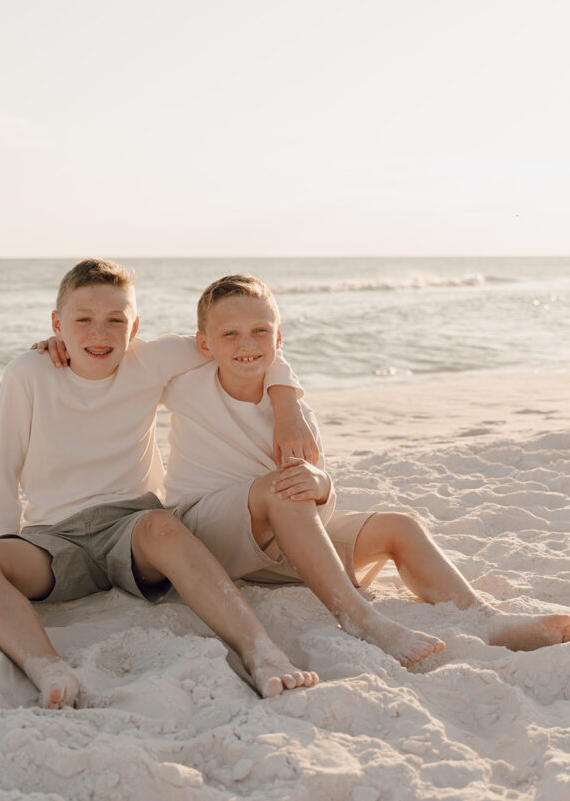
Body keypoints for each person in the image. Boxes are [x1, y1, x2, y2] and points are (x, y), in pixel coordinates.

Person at [0, 259, 318, 710]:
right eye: (82, 320)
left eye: (115, 321)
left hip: (135, 531)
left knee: (162, 524)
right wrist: (3, 555)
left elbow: (249, 341)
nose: (99, 333)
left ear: (134, 325)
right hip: (54, 542)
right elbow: (1, 469)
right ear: (56, 323)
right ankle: (47, 667)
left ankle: (260, 652)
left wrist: (286, 401)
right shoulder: (28, 372)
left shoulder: (150, 359)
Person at [161, 274, 570, 663]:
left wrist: (320, 483)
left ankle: (484, 620)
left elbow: (316, 504)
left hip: (281, 547)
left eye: (260, 331)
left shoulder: (294, 412)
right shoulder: (185, 383)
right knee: (280, 487)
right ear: (204, 344)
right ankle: (360, 616)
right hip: (209, 537)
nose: (245, 343)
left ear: (279, 338)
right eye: (229, 334)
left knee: (400, 525)